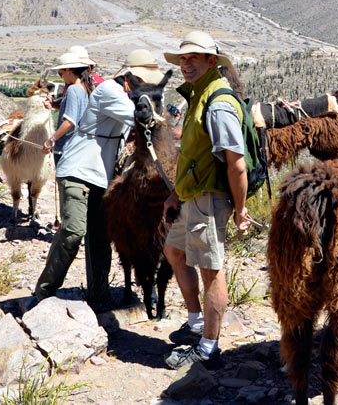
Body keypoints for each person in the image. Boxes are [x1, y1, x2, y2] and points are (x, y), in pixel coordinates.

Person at [33, 49, 164, 304]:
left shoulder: (108, 92)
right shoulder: (110, 93)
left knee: (100, 238)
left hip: (100, 178)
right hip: (78, 172)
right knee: (73, 232)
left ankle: (99, 297)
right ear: (129, 80)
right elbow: (139, 118)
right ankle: (44, 292)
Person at [161, 31, 250, 370]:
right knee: (175, 250)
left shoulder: (218, 102)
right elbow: (193, 153)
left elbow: (236, 163)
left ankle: (208, 348)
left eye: (193, 58)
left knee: (212, 271)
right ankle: (197, 324)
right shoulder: (199, 95)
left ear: (212, 61)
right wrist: (175, 193)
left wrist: (241, 210)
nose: (186, 63)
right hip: (191, 195)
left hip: (209, 200)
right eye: (183, 58)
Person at [43, 50, 96, 230]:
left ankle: (68, 229)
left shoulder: (73, 89)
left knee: (66, 193)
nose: (60, 76)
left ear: (69, 70)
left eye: (61, 73)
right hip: (78, 148)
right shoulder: (84, 89)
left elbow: (69, 121)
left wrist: (51, 139)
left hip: (66, 148)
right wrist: (56, 105)